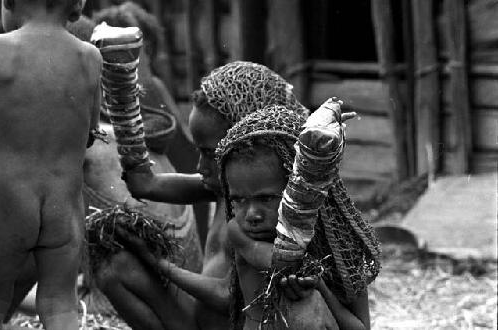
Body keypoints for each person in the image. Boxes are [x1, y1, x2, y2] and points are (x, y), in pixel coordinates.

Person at [96, 61, 309, 330]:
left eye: (209, 153)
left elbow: (231, 299)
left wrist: (158, 262)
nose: (199, 166)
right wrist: (127, 124)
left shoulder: (269, 207)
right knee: (113, 268)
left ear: (246, 145)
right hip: (199, 318)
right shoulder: (227, 184)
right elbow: (145, 185)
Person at [215, 104, 381, 329]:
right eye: (239, 200)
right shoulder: (240, 232)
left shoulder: (343, 250)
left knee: (308, 303)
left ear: (301, 192)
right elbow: (284, 263)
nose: (252, 214)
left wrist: (321, 289)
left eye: (266, 199)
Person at [0, 0, 99, 329]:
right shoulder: (89, 58)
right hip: (63, 207)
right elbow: (90, 134)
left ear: (9, 2)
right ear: (78, 4)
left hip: (7, 205)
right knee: (60, 304)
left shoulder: (1, 52)